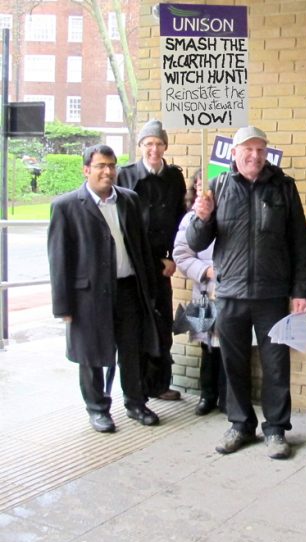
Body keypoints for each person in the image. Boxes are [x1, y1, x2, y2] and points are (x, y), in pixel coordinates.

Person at [186, 126, 306, 460]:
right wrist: (201, 218)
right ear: (234, 152)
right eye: (248, 149)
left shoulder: (283, 188)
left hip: (271, 295)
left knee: (275, 365)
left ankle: (275, 429)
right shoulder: (219, 187)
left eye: (260, 149)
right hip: (229, 294)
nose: (255, 155)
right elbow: (197, 242)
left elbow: (299, 242)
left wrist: (300, 289)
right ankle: (240, 424)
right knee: (234, 363)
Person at [48, 145, 161, 432]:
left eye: (112, 165)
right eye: (100, 166)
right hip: (88, 294)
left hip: (128, 290)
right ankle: (98, 409)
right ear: (86, 170)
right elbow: (59, 259)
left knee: (132, 350)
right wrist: (63, 307)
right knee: (91, 354)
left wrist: (149, 289)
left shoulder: (130, 201)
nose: (108, 172)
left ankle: (136, 403)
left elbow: (141, 247)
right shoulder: (67, 206)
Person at [117, 120, 187, 401]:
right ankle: (138, 389)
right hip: (135, 266)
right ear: (140, 147)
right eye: (149, 144)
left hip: (163, 267)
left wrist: (173, 258)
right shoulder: (125, 175)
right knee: (137, 327)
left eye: (158, 144)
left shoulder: (174, 177)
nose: (153, 149)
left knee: (162, 324)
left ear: (165, 146)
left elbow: (180, 221)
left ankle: (159, 384)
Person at [173, 169, 227, 416]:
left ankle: (229, 397)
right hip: (206, 291)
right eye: (198, 184)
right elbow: (182, 255)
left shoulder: (229, 214)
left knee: (232, 347)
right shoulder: (190, 219)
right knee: (207, 347)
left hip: (233, 291)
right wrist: (205, 271)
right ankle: (208, 395)